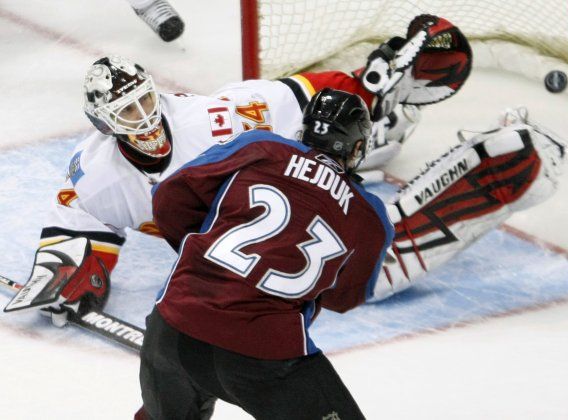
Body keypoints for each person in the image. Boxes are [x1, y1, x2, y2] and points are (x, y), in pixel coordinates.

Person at [3, 15, 476, 324]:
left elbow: (297, 95)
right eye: (128, 112)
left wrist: (367, 87)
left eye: (146, 99)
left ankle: (410, 138)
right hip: (247, 237)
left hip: (291, 188)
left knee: (363, 197)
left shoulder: (216, 118)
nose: (145, 118)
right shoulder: (97, 171)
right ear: (102, 123)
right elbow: (79, 218)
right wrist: (64, 271)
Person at [139, 88, 390, 420]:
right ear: (358, 147)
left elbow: (169, 197)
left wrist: (210, 253)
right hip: (264, 356)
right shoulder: (370, 216)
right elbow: (345, 297)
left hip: (171, 329)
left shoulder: (258, 146)